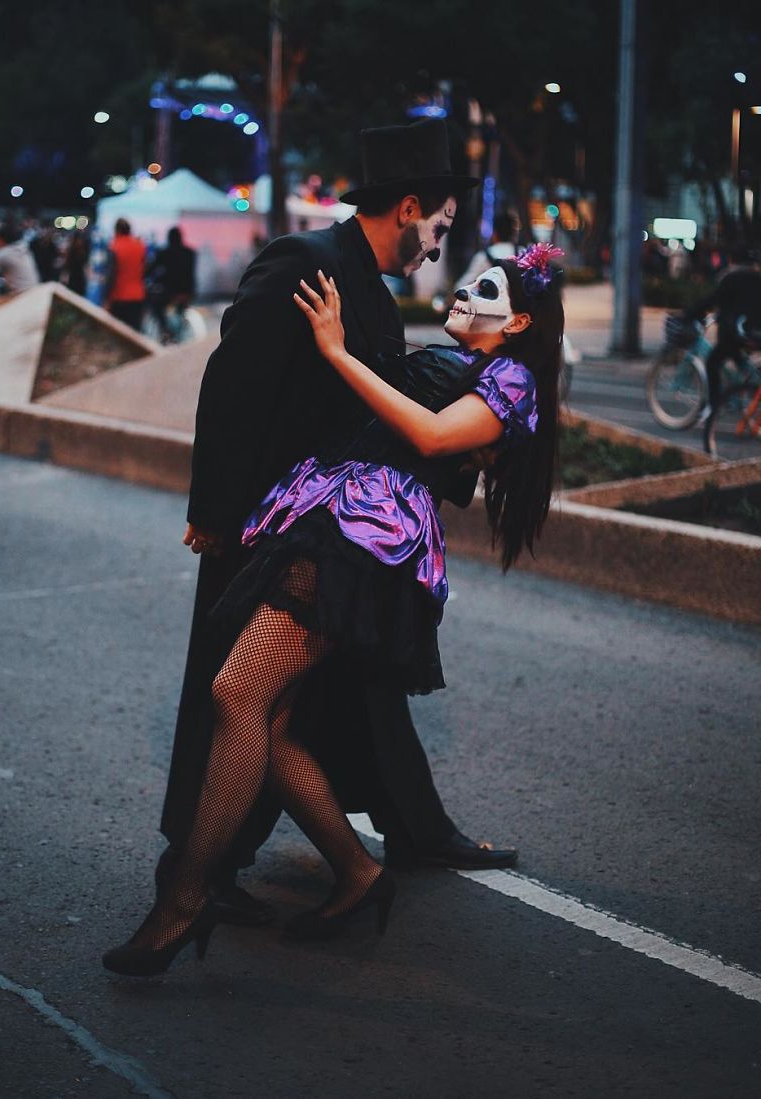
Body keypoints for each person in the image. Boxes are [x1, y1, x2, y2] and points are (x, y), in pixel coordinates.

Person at [102, 243, 564, 976]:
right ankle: (355, 869)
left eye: (486, 289)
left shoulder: (513, 380)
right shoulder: (460, 361)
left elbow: (432, 436)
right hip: (337, 519)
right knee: (269, 720)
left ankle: (185, 899)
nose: (464, 292)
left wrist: (336, 348)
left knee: (237, 693)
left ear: (517, 323)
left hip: (369, 543)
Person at [137, 119, 518, 939]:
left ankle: (390, 839)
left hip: (332, 532)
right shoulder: (304, 261)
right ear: (408, 207)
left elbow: (383, 411)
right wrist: (213, 511)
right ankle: (199, 871)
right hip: (261, 524)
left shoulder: (372, 287)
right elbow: (231, 384)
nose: (439, 245)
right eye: (440, 225)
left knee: (332, 696)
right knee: (239, 697)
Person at [686, 247, 761, 448]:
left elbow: (712, 300)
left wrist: (690, 314)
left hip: (737, 334)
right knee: (739, 361)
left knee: (713, 362)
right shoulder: (757, 278)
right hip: (753, 333)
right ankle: (744, 390)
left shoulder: (731, 277)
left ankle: (713, 405)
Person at [147, 225, 196, 342]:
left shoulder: (164, 253)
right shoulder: (190, 253)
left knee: (156, 306)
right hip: (187, 292)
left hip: (169, 292)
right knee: (180, 311)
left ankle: (166, 330)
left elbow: (151, 270)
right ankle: (179, 329)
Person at [456, 212, 518, 289]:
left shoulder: (483, 257)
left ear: (495, 234)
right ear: (513, 234)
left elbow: (461, 285)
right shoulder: (523, 254)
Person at [106, 217, 146, 330]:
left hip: (119, 297)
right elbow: (143, 269)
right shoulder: (140, 246)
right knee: (134, 333)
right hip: (138, 296)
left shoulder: (114, 246)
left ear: (117, 230)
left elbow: (111, 275)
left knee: (117, 333)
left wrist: (106, 299)